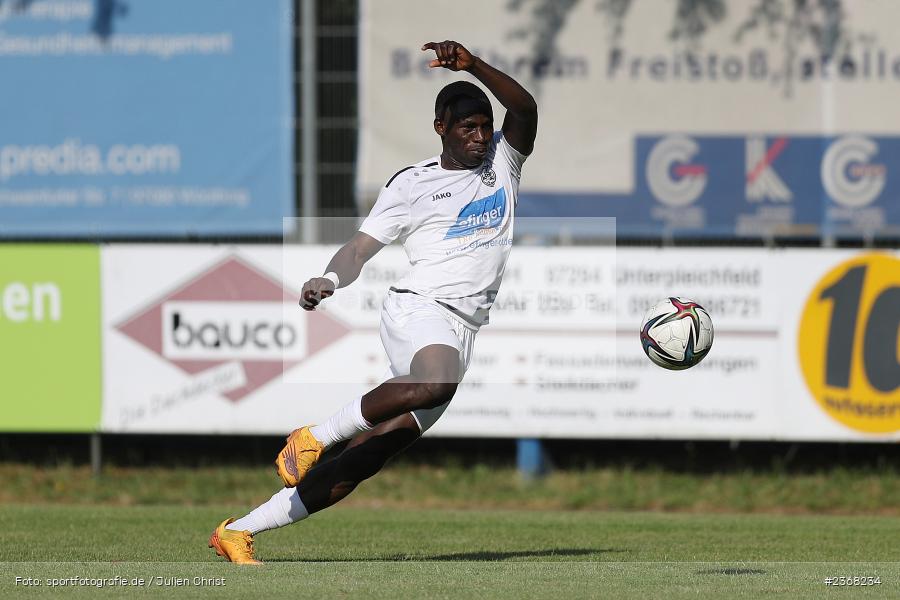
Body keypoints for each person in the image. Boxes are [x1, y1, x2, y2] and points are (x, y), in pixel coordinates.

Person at [209, 40, 538, 564]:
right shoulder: (412, 184)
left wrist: (473, 64)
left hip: (464, 329)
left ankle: (237, 531)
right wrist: (331, 278)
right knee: (433, 382)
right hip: (420, 309)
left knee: (363, 462)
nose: (479, 137)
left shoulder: (503, 164)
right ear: (441, 129)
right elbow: (361, 247)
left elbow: (525, 109)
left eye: (483, 126)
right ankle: (313, 435)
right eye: (466, 128)